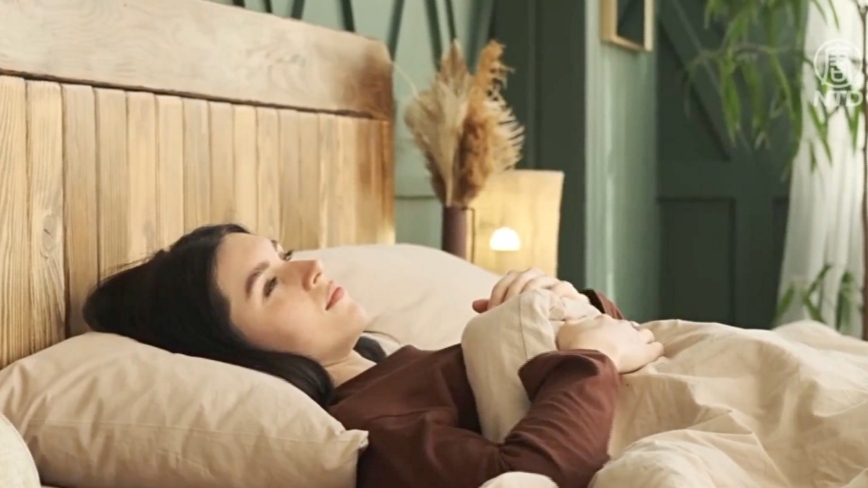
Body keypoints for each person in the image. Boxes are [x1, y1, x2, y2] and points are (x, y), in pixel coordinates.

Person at [82, 223, 664, 488]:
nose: (311, 268)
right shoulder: (369, 429)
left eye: (284, 254)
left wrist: (562, 306)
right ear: (233, 356)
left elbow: (640, 357)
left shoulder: (402, 363)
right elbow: (531, 477)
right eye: (270, 284)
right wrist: (593, 358)